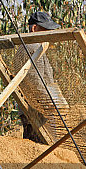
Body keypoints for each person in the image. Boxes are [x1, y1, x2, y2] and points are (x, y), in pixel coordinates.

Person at [12, 12, 68, 143]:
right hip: (37, 108)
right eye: (46, 29)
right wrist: (52, 104)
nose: (49, 33)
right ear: (34, 29)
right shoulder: (31, 47)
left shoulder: (37, 47)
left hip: (39, 107)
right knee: (42, 146)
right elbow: (34, 83)